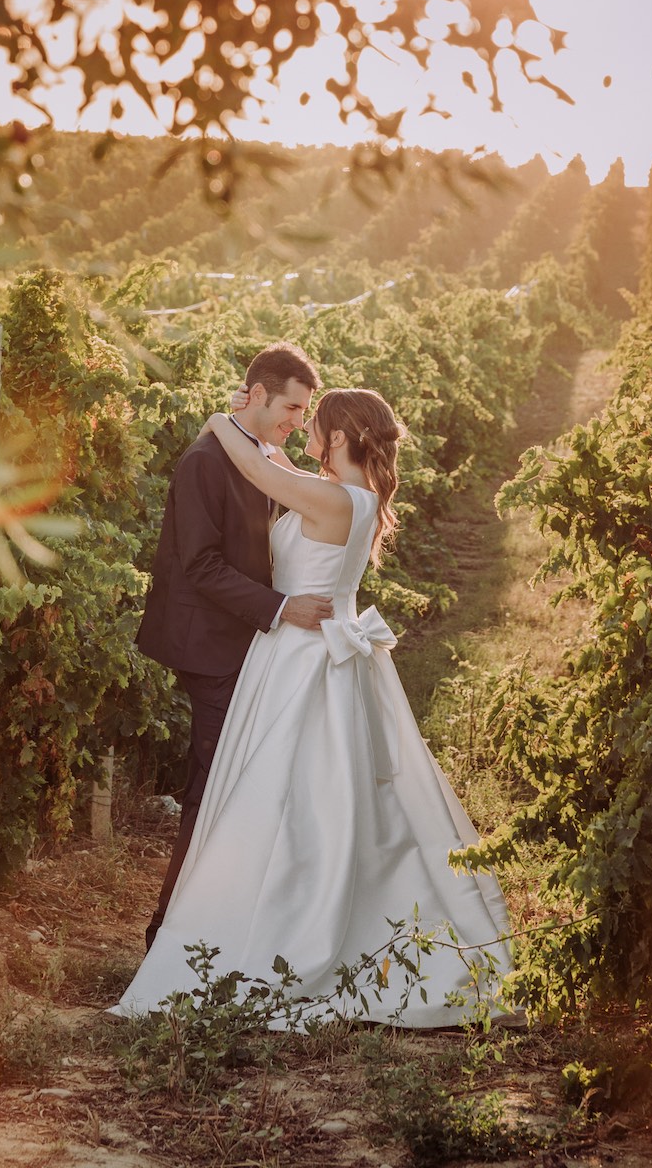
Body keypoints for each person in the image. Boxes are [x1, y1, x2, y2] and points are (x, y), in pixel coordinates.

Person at [117, 387, 516, 1028]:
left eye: (315, 424)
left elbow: (256, 469)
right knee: (328, 798)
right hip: (318, 652)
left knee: (288, 796)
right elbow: (283, 475)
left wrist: (225, 419)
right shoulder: (356, 496)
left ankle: (278, 925)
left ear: (338, 437)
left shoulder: (331, 498)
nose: (305, 434)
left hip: (301, 659)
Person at [135, 342, 332, 951]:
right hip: (214, 647)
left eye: (304, 413)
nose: (298, 424)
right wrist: (281, 608)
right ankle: (167, 934)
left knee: (240, 780)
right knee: (214, 783)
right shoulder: (205, 461)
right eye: (292, 409)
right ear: (256, 395)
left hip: (250, 642)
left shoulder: (257, 452)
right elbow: (200, 566)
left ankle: (229, 922)